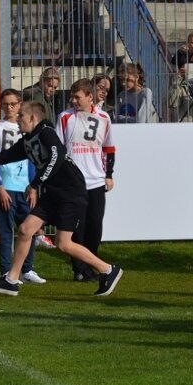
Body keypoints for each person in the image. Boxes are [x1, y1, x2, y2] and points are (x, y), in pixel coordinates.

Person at [0, 100, 124, 297]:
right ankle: (11, 280)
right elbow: (2, 158)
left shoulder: (46, 131)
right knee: (25, 229)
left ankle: (107, 269)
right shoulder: (27, 141)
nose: (17, 119)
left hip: (71, 192)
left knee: (63, 243)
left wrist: (36, 183)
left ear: (32, 118)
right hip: (54, 193)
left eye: (21, 115)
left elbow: (57, 155)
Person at [56, 79, 116, 283]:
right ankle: (79, 270)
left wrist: (109, 174)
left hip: (96, 181)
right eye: (72, 97)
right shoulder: (65, 117)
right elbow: (59, 149)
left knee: (95, 227)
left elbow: (109, 149)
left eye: (77, 97)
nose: (73, 101)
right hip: (74, 183)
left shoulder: (104, 118)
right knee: (76, 229)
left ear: (90, 97)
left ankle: (92, 264)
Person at [0, 89, 45, 283]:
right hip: (6, 188)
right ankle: (6, 272)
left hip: (25, 188)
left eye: (13, 104)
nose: (9, 108)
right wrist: (0, 187)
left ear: (20, 105)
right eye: (5, 104)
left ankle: (26, 269)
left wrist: (33, 186)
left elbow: (31, 160)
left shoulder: (26, 128)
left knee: (29, 229)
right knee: (5, 233)